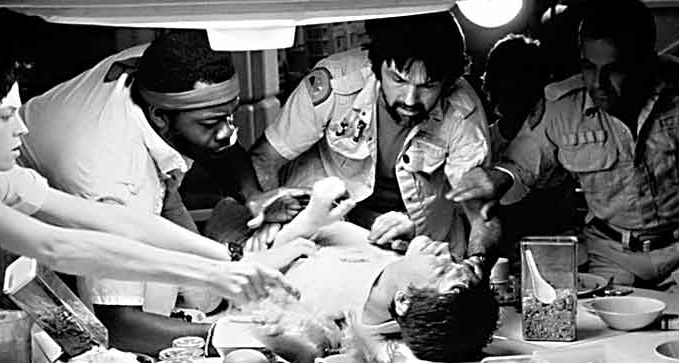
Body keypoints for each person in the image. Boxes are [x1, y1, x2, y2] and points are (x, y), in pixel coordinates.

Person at [0, 43, 301, 356]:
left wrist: (232, 258)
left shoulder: (165, 66)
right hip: (61, 202)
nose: (21, 127)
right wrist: (220, 308)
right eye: (6, 116)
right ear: (159, 116)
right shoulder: (113, 177)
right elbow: (61, 250)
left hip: (72, 174)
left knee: (203, 295)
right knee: (32, 340)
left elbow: (121, 222)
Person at [448, 0, 679, 290]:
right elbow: (520, 167)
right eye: (589, 67)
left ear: (645, 62)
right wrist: (495, 179)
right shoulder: (562, 107)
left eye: (614, 69)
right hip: (612, 255)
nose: (598, 83)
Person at [243, 10, 491, 260]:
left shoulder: (463, 112)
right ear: (376, 66)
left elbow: (481, 212)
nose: (410, 99)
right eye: (398, 80)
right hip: (324, 235)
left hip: (420, 244)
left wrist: (476, 263)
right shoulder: (335, 82)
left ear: (447, 84)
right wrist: (270, 216)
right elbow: (265, 158)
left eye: (427, 86)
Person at [209, 176, 500, 363]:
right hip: (301, 218)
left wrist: (307, 222)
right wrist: (401, 233)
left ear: (404, 300)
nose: (446, 251)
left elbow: (236, 281)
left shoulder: (328, 309)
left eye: (442, 270)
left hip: (244, 244)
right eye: (457, 262)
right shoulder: (398, 274)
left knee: (224, 204)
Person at [481, 34, 577, 268]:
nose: (512, 102)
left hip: (556, 250)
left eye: (520, 91)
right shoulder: (482, 143)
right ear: (490, 89)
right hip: (499, 255)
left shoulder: (556, 135)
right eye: (504, 90)